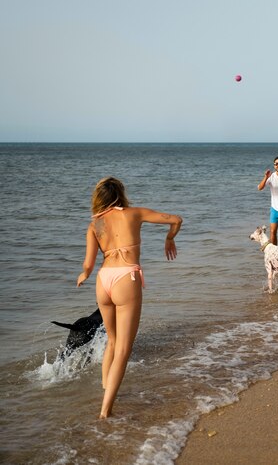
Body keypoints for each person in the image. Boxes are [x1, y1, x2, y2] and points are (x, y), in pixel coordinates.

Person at [77, 176, 182, 418]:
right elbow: (176, 220)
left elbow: (88, 264)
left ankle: (107, 389)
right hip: (126, 278)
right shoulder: (134, 213)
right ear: (120, 194)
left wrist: (83, 275)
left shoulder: (94, 225)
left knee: (112, 343)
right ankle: (105, 411)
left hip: (103, 281)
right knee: (124, 348)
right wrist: (169, 238)